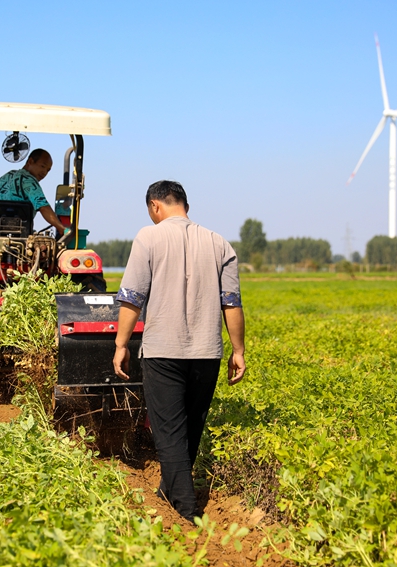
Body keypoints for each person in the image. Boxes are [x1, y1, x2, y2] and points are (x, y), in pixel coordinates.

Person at [112, 180, 246, 522]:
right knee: (191, 426)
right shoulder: (220, 243)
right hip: (207, 353)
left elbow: (132, 297)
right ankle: (168, 489)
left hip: (163, 352)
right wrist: (238, 350)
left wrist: (121, 344)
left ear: (156, 206)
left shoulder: (149, 237)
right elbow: (231, 303)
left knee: (169, 430)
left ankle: (186, 511)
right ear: (183, 203)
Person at [0, 149, 66, 235]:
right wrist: (61, 228)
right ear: (30, 161)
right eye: (42, 166)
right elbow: (43, 207)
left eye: (48, 170)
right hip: (20, 235)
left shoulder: (8, 176)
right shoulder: (30, 181)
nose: (44, 172)